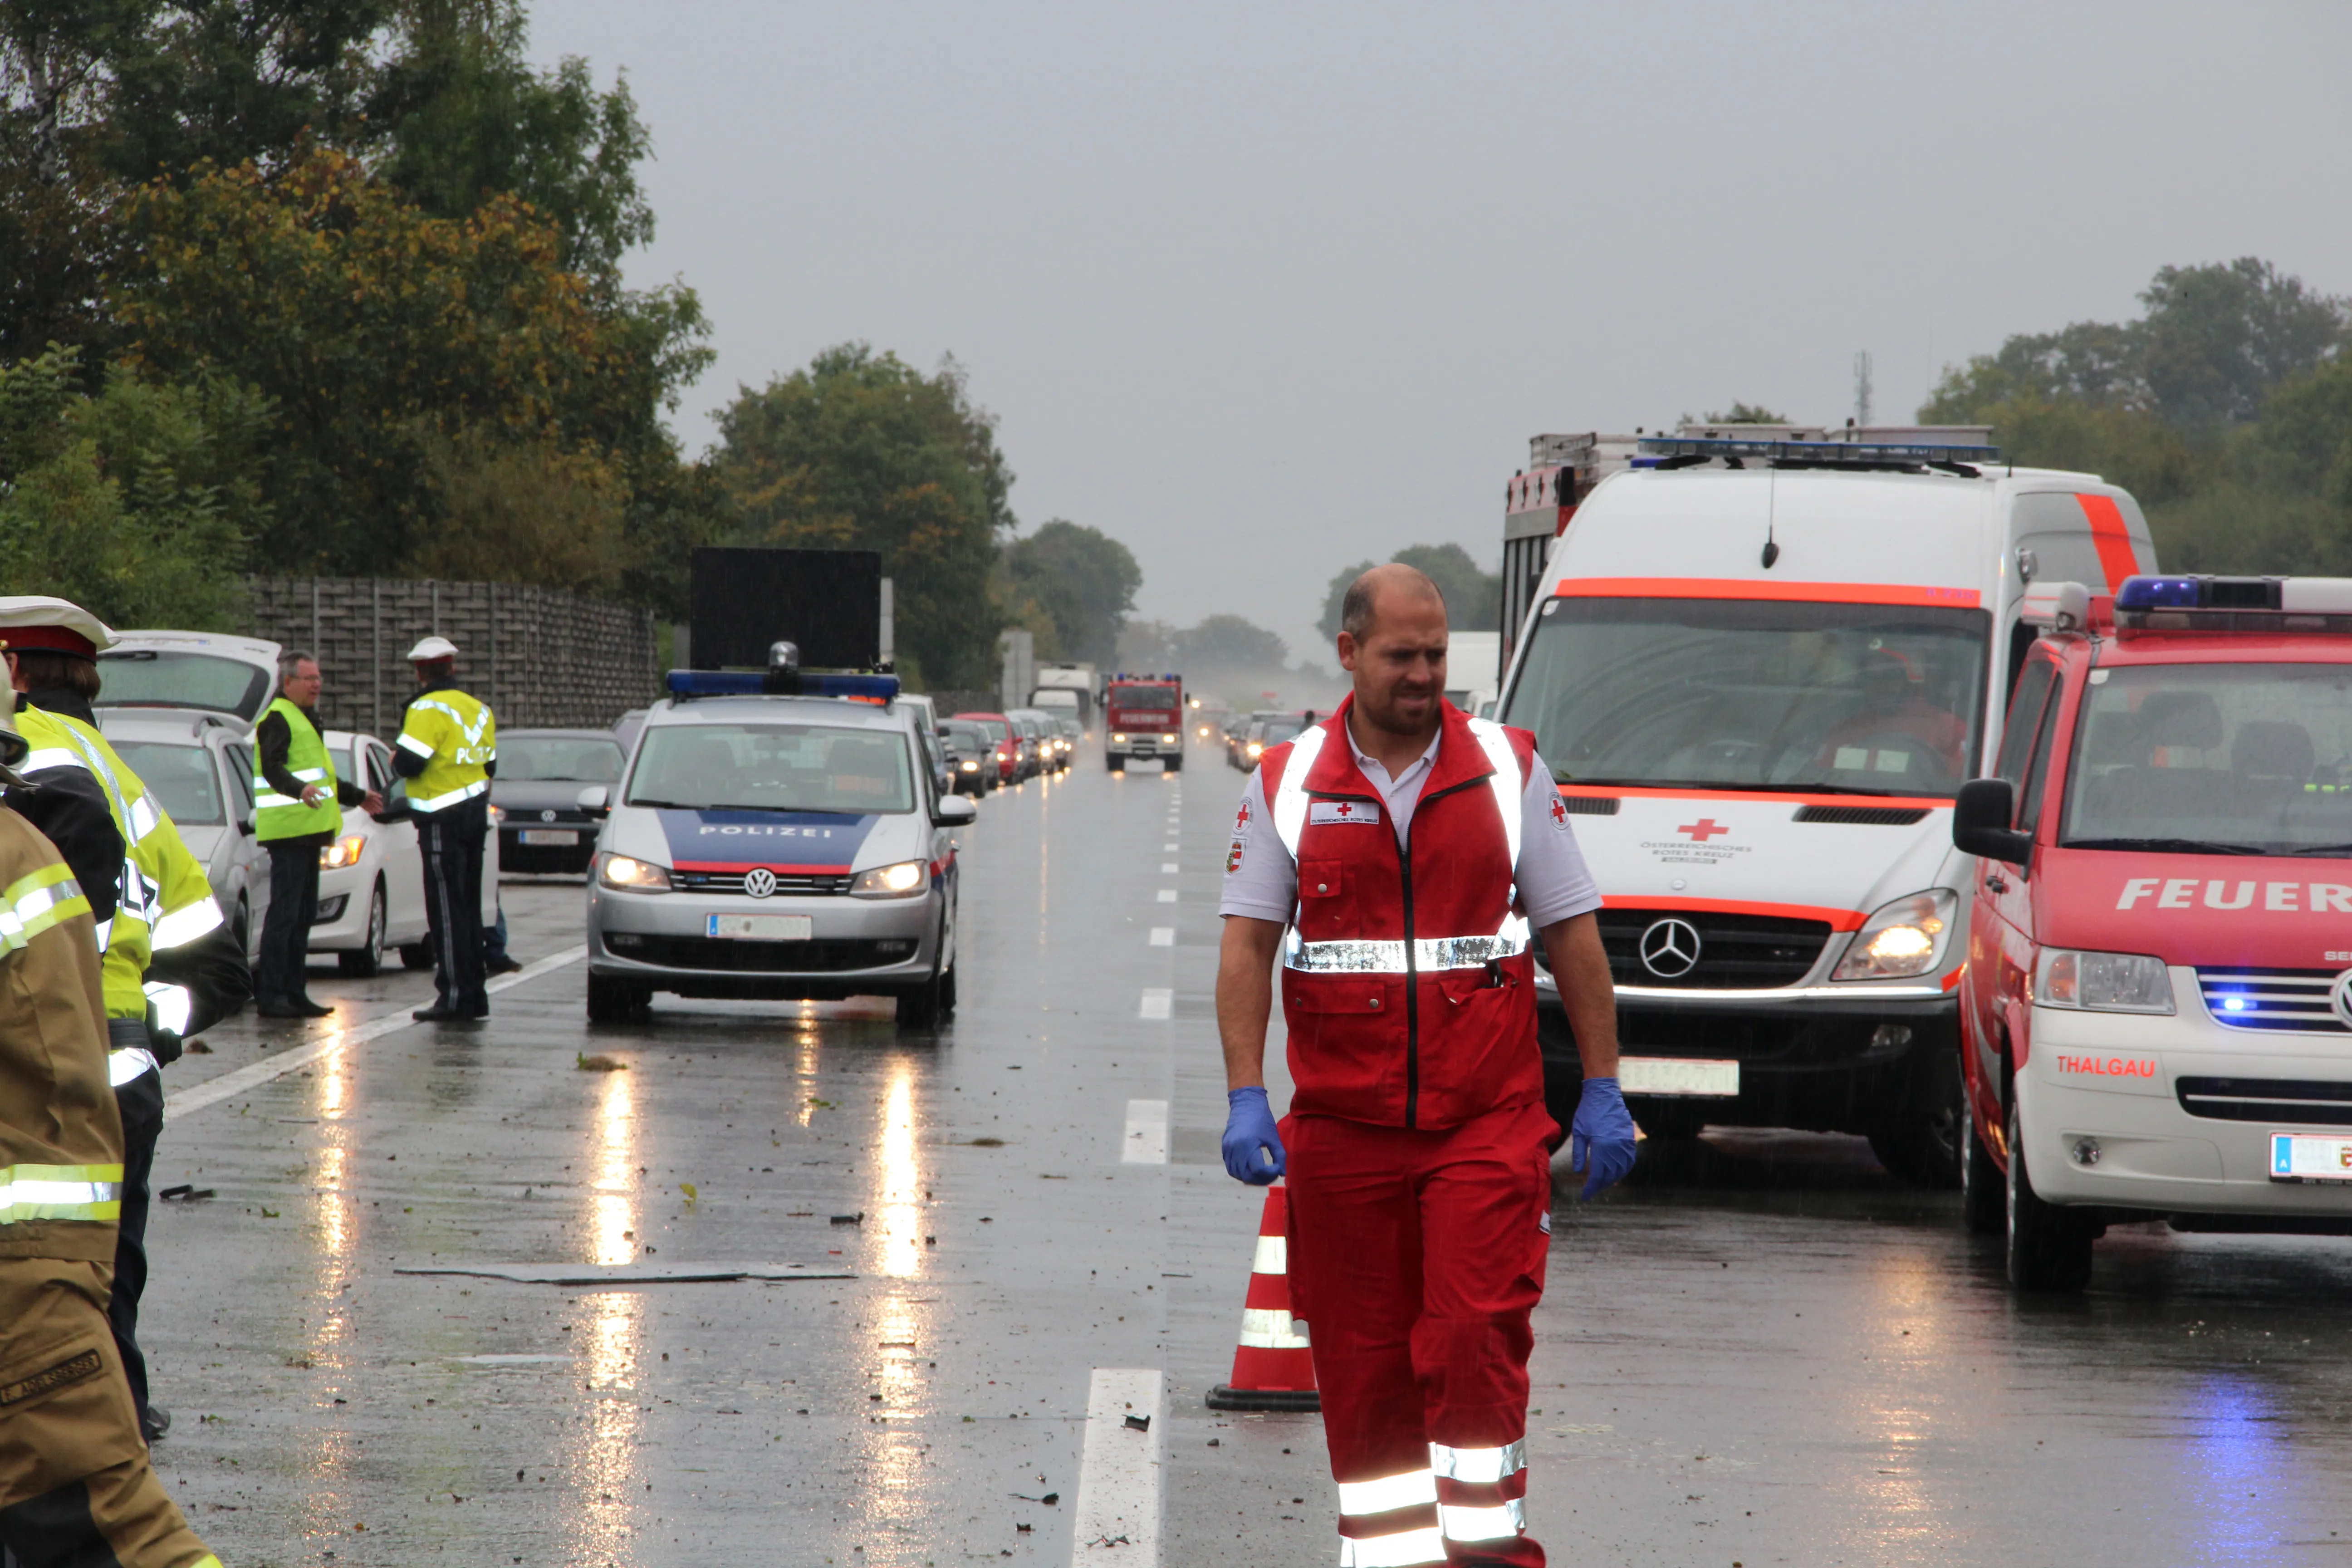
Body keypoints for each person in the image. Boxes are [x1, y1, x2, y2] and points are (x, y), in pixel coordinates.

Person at [1215, 564, 1637, 1568]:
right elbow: (1247, 947)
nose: (1424, 675)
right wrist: (1245, 1095)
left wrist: (1606, 1086)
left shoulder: (1506, 768)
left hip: (1484, 1123)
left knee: (1472, 1340)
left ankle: (1490, 1557)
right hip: (1342, 1134)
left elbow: (1572, 936)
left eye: (1438, 655)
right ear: (1350, 651)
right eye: (1402, 655)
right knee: (1364, 1382)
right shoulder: (1287, 783)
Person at [0, 597, 252, 1446]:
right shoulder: (123, 778)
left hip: (31, 1072)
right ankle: (120, 1419)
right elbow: (219, 966)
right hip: (121, 1077)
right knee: (107, 1268)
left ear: (13, 672)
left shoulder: (22, 759)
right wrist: (149, 1032)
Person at [0, 703, 222, 1568]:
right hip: (59, 1218)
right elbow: (211, 955)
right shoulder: (46, 828)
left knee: (110, 1539)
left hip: (24, 1273)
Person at [250, 652, 382, 1018]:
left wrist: (358, 797)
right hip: (289, 834)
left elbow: (322, 778)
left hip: (312, 834)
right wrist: (300, 791)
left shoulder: (308, 719)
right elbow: (274, 770)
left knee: (304, 915)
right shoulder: (278, 719)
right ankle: (273, 995)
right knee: (286, 916)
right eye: (308, 678)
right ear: (288, 682)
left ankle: (295, 993)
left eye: (318, 678)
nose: (317, 685)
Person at [392, 635, 496, 1023]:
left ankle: (454, 996)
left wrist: (395, 758)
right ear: (452, 667)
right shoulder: (479, 710)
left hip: (441, 820)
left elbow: (409, 764)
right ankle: (474, 993)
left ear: (420, 671)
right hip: (474, 817)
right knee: (468, 910)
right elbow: (490, 768)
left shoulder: (426, 708)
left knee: (447, 912)